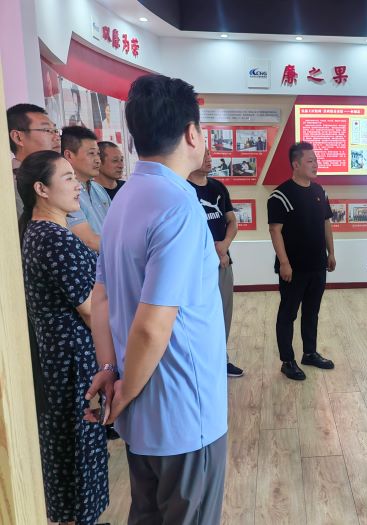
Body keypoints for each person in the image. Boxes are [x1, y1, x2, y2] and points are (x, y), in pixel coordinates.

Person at [85, 74, 228, 524]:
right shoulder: (178, 205)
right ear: (192, 133)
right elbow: (151, 325)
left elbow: (102, 297)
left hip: (141, 414)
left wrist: (111, 371)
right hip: (184, 414)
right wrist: (124, 391)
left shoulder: (124, 198)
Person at [17, 150, 109, 525]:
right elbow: (90, 309)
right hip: (72, 363)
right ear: (41, 189)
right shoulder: (54, 238)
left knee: (70, 451)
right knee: (77, 452)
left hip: (62, 359)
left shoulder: (43, 232)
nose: (77, 186)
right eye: (68, 178)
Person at [267, 141, 336, 381]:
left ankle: (310, 353)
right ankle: (287, 360)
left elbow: (326, 223)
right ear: (296, 165)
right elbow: (275, 230)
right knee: (288, 313)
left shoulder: (320, 192)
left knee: (312, 311)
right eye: (310, 161)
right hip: (293, 268)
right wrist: (284, 263)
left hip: (317, 265)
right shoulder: (280, 195)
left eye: (316, 160)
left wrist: (331, 252)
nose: (315, 165)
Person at [188, 147, 244, 378]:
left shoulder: (218, 187)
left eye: (210, 154)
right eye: (204, 155)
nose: (209, 159)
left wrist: (224, 245)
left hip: (222, 262)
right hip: (196, 268)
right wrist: (212, 250)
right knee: (199, 318)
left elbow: (231, 221)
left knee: (223, 313)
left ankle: (221, 359)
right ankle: (199, 364)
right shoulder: (183, 189)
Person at [7, 103, 62, 219]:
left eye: (55, 130)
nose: (57, 137)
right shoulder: (9, 186)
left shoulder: (55, 175)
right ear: (18, 137)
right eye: (47, 130)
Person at [62, 126, 109, 252]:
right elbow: (89, 241)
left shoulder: (98, 189)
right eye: (91, 153)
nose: (98, 160)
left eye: (98, 154)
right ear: (69, 155)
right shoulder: (65, 192)